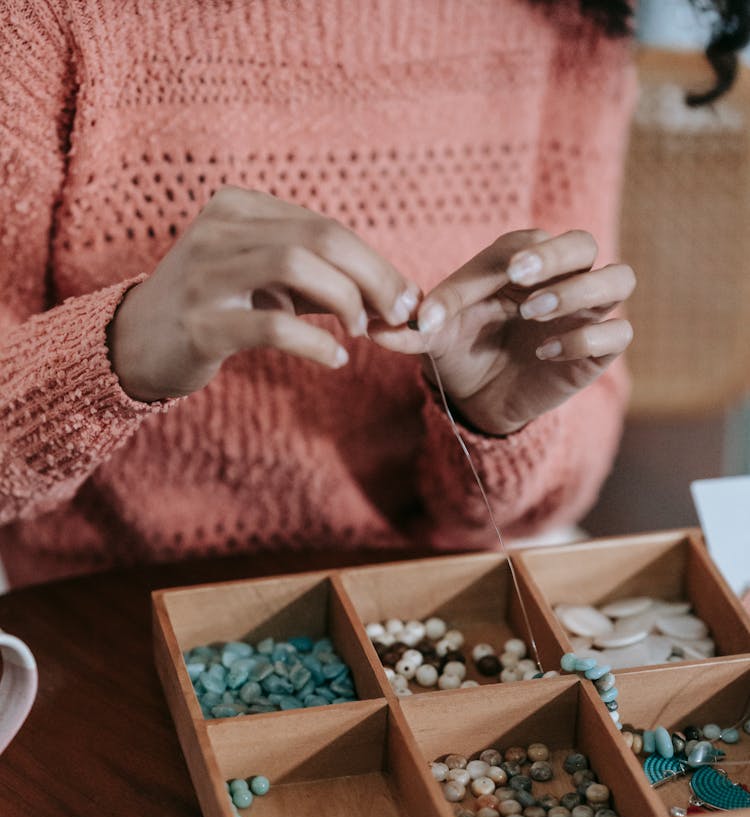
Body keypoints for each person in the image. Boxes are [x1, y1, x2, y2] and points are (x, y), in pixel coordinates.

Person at [0, 0, 744, 588]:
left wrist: (490, 416)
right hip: (100, 610)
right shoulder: (44, 19)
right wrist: (121, 352)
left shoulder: (570, 17)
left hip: (430, 592)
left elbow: (562, 486)